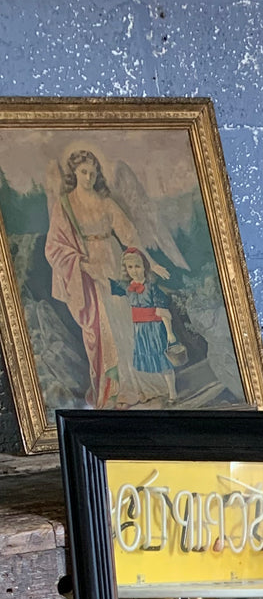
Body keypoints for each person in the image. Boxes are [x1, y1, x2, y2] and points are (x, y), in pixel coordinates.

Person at [42, 147, 170, 407]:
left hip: (114, 263)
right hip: (89, 273)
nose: (89, 177)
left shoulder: (106, 203)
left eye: (93, 172)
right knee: (104, 331)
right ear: (75, 173)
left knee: (127, 325)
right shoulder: (64, 205)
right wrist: (82, 264)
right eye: (84, 172)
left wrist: (152, 263)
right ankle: (114, 389)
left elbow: (130, 237)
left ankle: (139, 384)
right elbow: (54, 246)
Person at [108, 248, 178, 403]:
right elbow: (108, 283)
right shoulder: (127, 287)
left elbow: (162, 310)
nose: (134, 271)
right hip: (140, 330)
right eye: (130, 267)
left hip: (154, 327)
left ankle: (173, 393)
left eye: (137, 266)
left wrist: (169, 332)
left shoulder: (151, 287)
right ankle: (159, 389)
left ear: (145, 267)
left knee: (163, 360)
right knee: (152, 361)